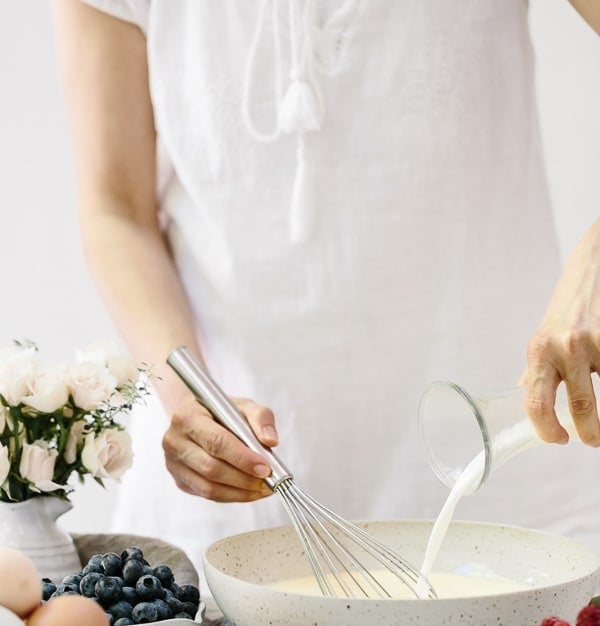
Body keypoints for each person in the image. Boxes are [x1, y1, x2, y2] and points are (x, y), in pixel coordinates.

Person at [52, 0, 600, 585]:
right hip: (231, 529)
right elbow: (117, 212)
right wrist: (187, 398)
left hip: (514, 499)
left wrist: (592, 265)